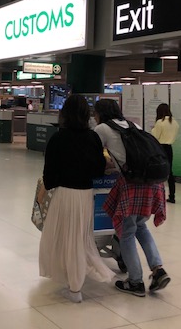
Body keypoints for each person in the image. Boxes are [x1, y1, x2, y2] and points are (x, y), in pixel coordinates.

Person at [38, 95, 115, 303]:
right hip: (85, 195)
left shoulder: (57, 139)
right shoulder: (93, 138)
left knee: (64, 239)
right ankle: (76, 284)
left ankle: (73, 286)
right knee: (80, 239)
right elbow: (98, 169)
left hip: (64, 195)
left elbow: (49, 177)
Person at [94, 99, 170, 298]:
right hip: (152, 182)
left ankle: (135, 281)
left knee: (126, 231)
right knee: (141, 226)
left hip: (132, 184)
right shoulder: (133, 125)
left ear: (100, 113)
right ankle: (158, 269)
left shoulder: (102, 128)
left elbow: (92, 155)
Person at [152, 103, 180, 204]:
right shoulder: (175, 122)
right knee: (170, 172)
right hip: (169, 148)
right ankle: (172, 196)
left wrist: (153, 129)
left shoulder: (160, 122)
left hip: (160, 148)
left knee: (157, 171)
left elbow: (155, 136)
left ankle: (156, 196)